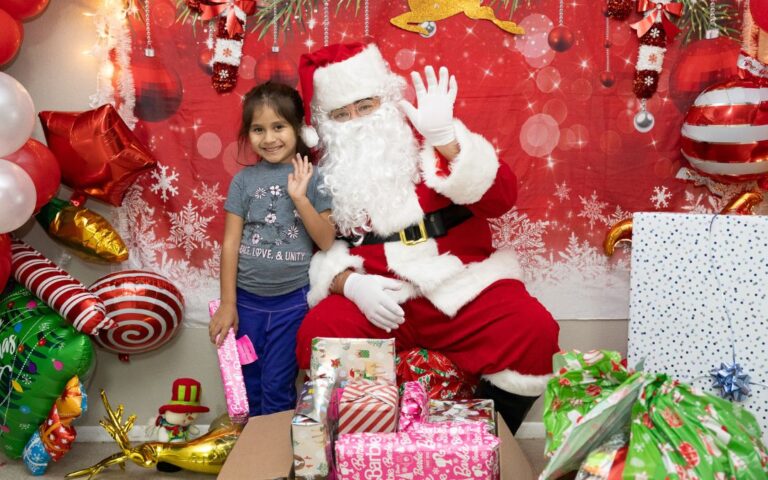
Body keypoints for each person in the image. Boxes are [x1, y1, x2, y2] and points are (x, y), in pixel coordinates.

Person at [294, 42, 560, 433]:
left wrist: (449, 140)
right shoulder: (327, 172)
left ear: (385, 100)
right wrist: (348, 284)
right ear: (326, 123)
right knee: (317, 335)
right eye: (341, 114)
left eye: (366, 106)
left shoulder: (432, 138)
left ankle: (487, 438)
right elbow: (327, 244)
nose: (358, 121)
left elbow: (502, 199)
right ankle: (363, 446)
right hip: (380, 297)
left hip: (457, 286)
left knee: (532, 329)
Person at [209, 82, 335, 416]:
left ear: (298, 129)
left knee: (278, 387)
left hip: (292, 305)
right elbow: (230, 243)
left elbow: (325, 240)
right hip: (246, 303)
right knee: (248, 387)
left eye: (278, 127)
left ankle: (273, 461)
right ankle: (251, 459)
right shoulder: (243, 181)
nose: (269, 138)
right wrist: (228, 303)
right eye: (258, 129)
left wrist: (300, 198)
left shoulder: (315, 177)